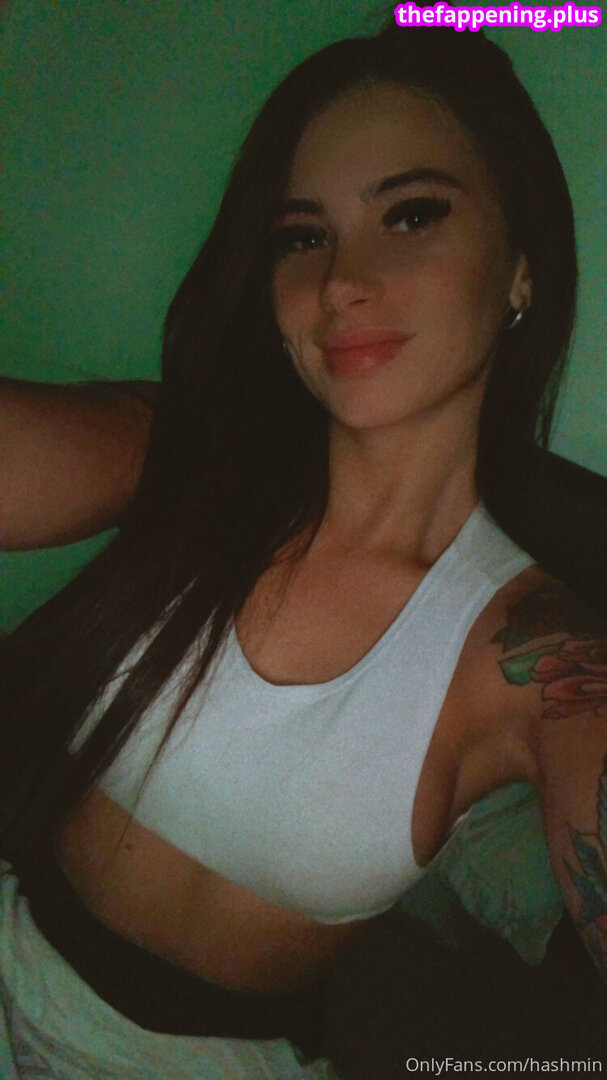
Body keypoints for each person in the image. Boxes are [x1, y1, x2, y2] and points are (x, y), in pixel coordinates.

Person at [1, 19, 606, 1079]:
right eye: (301, 236)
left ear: (520, 269)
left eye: (410, 215)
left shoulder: (532, 651)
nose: (341, 282)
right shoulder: (190, 462)